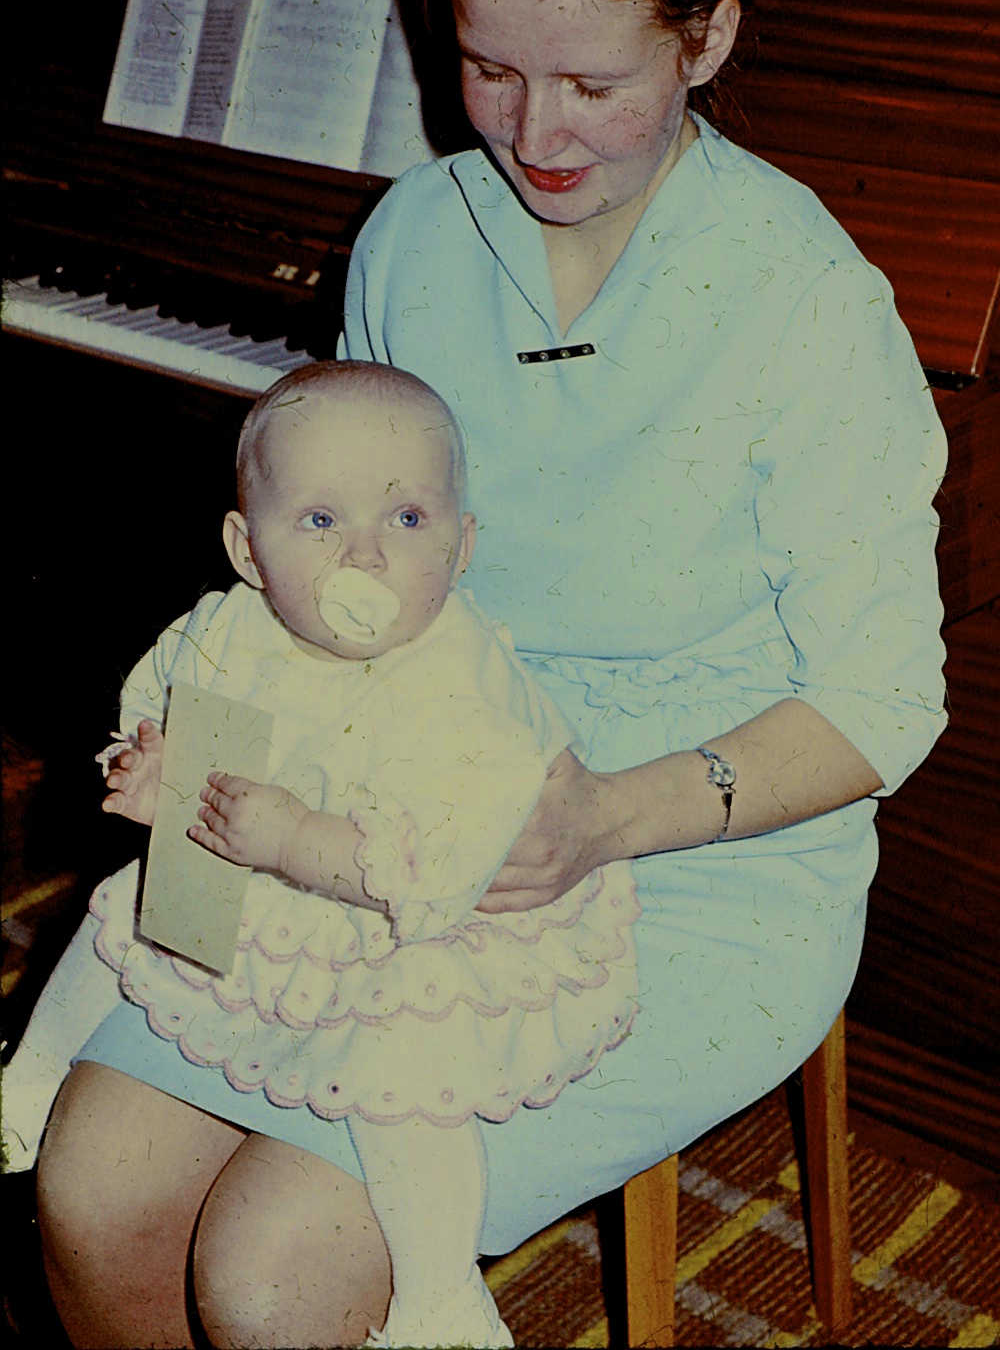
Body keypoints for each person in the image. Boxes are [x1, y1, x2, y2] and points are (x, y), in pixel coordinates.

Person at [26, 0, 947, 1350]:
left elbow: (882, 704)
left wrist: (602, 820)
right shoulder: (414, 236)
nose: (533, 135)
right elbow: (336, 567)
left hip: (685, 861)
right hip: (372, 800)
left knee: (268, 1276)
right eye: (489, 68)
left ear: (709, 40)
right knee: (89, 1188)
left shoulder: (809, 305)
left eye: (594, 83)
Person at [7, 360, 637, 1348]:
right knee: (121, 913)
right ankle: (30, 1077)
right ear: (247, 550)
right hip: (267, 893)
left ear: (464, 544)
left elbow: (434, 872)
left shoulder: (466, 687)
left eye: (408, 519)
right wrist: (158, 772)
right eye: (319, 521)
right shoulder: (230, 630)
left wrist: (294, 840)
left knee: (404, 1079)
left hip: (415, 927)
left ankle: (436, 1293)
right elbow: (173, 713)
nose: (366, 557)